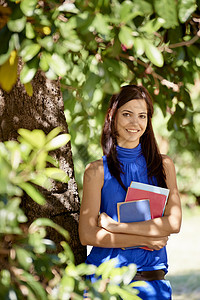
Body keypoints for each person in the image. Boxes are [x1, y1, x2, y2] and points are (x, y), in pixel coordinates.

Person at [79, 85, 182, 300]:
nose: (135, 123)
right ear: (112, 116)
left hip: (152, 285)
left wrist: (117, 227)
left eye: (142, 116)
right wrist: (142, 239)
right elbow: (87, 235)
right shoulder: (96, 171)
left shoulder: (164, 165)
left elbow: (173, 223)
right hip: (105, 285)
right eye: (127, 114)